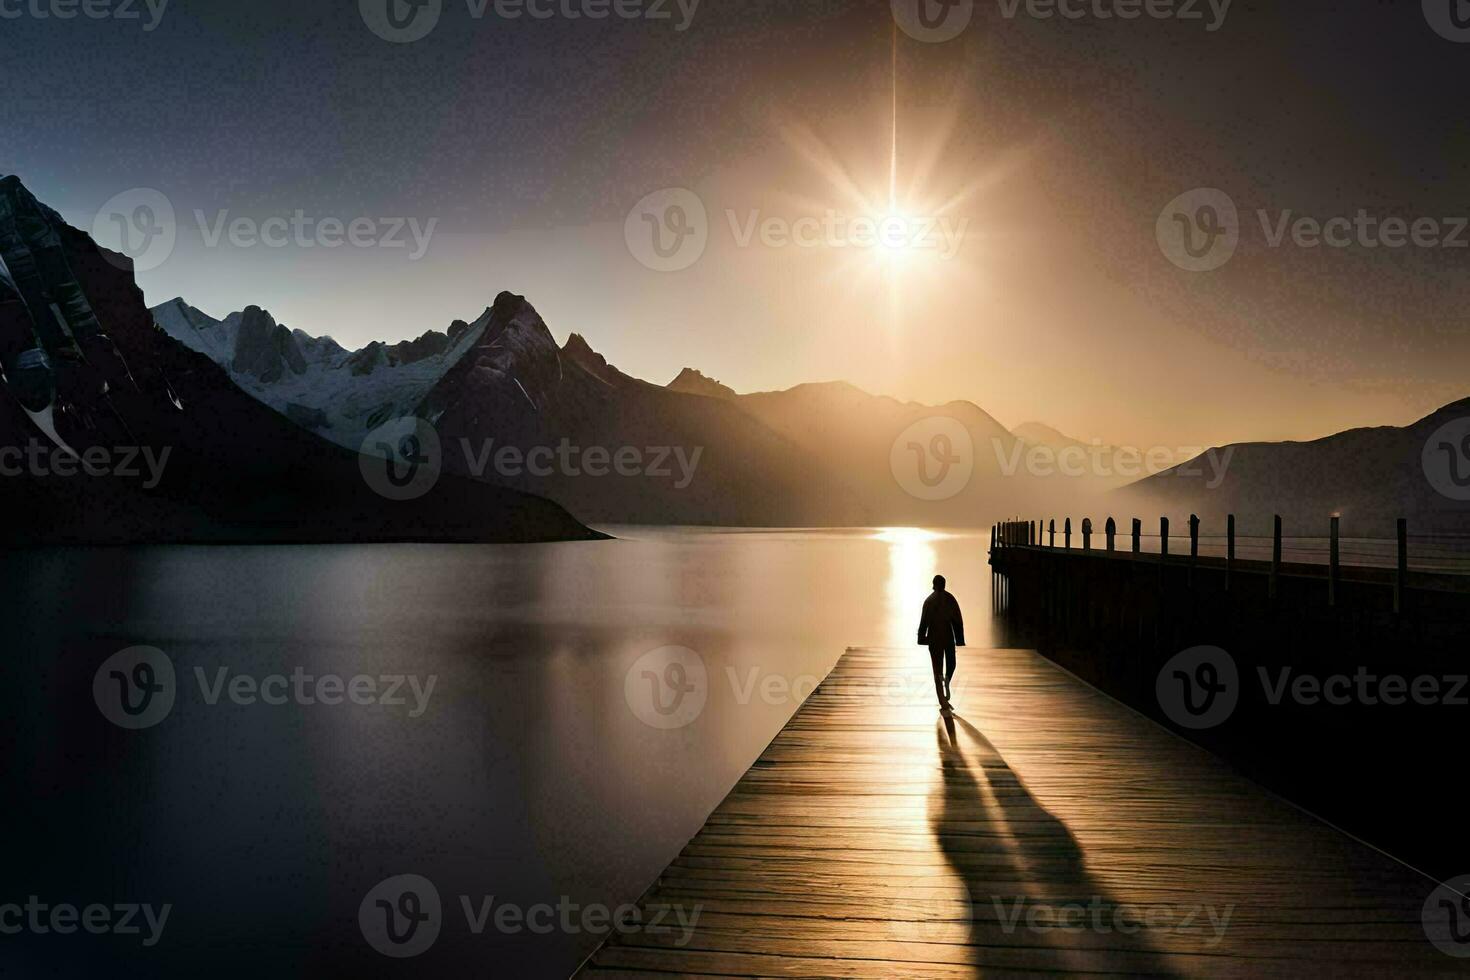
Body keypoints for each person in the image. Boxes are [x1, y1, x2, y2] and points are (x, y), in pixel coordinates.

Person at [918, 574, 965, 711]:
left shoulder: (929, 601)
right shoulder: (950, 599)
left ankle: (943, 697)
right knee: (951, 664)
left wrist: (921, 638)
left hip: (935, 640)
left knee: (938, 670)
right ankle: (946, 686)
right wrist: (959, 639)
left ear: (934, 584)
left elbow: (923, 622)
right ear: (943, 585)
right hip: (948, 638)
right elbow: (957, 620)